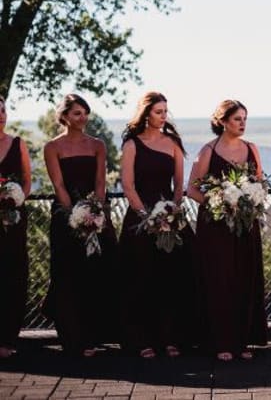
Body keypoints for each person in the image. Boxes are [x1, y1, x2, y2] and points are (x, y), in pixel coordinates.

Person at [186, 99, 267, 362]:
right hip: (216, 227)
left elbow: (262, 184)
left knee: (245, 278)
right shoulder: (208, 151)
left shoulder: (252, 148)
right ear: (222, 121)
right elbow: (192, 189)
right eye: (236, 119)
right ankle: (220, 342)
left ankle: (242, 342)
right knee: (220, 281)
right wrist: (220, 202)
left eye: (244, 119)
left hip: (245, 226)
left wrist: (251, 200)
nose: (242, 123)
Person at [41, 94, 120, 356]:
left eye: (85, 112)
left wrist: (95, 212)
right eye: (77, 113)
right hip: (65, 216)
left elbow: (100, 182)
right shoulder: (52, 147)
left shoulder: (97, 145)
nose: (83, 117)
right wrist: (74, 216)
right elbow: (59, 185)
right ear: (64, 116)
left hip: (97, 214)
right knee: (68, 275)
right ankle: (73, 339)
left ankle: (95, 335)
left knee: (98, 271)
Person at [118, 92, 194, 358]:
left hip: (170, 219)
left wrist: (170, 214)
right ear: (146, 113)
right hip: (140, 220)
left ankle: (171, 338)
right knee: (141, 279)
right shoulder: (131, 145)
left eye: (165, 111)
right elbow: (127, 185)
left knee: (172, 279)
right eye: (158, 112)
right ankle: (141, 340)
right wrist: (146, 217)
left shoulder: (173, 142)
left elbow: (178, 185)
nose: (163, 116)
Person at [0, 96, 31, 358]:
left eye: (3, 110)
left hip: (14, 220)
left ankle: (9, 338)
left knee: (13, 275)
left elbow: (28, 181)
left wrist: (17, 200)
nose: (1, 115)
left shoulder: (17, 144)